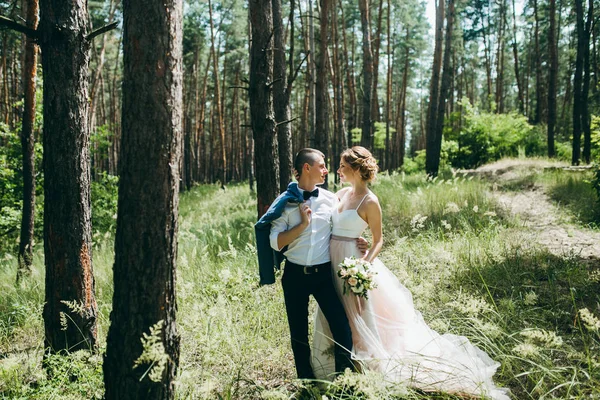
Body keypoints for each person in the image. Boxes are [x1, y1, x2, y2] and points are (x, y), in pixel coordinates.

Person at [311, 146, 510, 399]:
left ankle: (364, 369)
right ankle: (334, 365)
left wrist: (364, 264)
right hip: (332, 261)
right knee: (335, 312)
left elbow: (379, 240)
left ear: (357, 169)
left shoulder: (370, 201)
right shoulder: (339, 194)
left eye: (343, 166)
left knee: (359, 313)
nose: (338, 170)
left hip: (354, 262)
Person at [259, 148, 361, 380]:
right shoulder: (284, 203)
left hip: (324, 275)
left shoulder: (329, 199)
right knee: (298, 334)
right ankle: (306, 381)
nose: (326, 170)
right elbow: (275, 242)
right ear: (307, 168)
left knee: (341, 327)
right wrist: (302, 226)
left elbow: (342, 227)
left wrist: (358, 238)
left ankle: (344, 381)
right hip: (294, 275)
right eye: (322, 166)